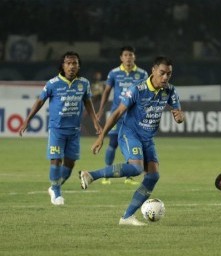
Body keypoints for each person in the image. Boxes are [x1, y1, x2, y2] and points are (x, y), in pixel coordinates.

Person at [79, 56, 184, 226]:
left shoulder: (170, 91)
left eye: (169, 74)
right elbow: (117, 113)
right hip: (130, 133)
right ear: (153, 71)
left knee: (153, 176)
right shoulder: (137, 89)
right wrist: (101, 137)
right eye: (162, 73)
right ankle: (91, 175)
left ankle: (127, 217)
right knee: (136, 168)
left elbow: (178, 115)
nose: (165, 77)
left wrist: (180, 117)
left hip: (148, 138)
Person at [19, 51, 101, 205]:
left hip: (74, 131)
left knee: (70, 164)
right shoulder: (53, 83)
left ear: (78, 66)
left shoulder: (84, 83)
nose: (71, 66)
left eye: (74, 63)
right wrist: (27, 120)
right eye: (68, 63)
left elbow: (88, 102)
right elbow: (40, 101)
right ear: (62, 66)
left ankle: (54, 187)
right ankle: (56, 193)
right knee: (56, 160)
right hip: (57, 129)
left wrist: (96, 121)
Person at [96, 46, 148, 186]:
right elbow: (106, 92)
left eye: (131, 54)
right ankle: (106, 174)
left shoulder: (142, 74)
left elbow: (146, 93)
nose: (128, 57)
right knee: (113, 143)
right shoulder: (114, 73)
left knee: (133, 145)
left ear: (134, 57)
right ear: (121, 57)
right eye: (126, 55)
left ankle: (129, 176)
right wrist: (101, 110)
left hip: (134, 116)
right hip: (117, 114)